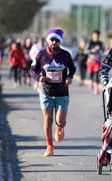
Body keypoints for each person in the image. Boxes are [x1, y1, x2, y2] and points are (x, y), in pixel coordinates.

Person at [30, 28, 76, 156]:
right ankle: (49, 145)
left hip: (62, 93)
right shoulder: (41, 54)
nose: (54, 42)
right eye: (52, 39)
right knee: (47, 120)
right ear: (47, 40)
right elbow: (32, 70)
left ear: (60, 42)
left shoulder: (66, 55)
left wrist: (70, 77)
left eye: (57, 40)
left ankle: (59, 127)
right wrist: (39, 77)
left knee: (60, 121)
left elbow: (72, 68)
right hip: (46, 92)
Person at [86, 30, 105, 94]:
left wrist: (102, 49)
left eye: (97, 36)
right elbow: (86, 51)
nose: (95, 37)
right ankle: (91, 82)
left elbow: (103, 50)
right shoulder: (90, 43)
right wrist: (92, 50)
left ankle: (96, 88)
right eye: (94, 36)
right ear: (92, 36)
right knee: (91, 74)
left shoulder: (100, 43)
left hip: (97, 61)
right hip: (90, 61)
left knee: (96, 74)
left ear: (98, 36)